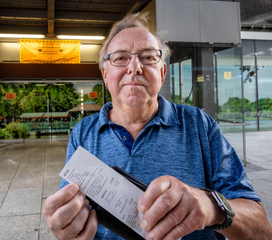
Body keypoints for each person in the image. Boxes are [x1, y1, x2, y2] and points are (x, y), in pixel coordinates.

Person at [43, 12, 272, 240]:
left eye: (148, 57)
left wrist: (213, 206)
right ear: (105, 74)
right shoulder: (83, 133)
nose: (135, 68)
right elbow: (71, 213)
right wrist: (67, 226)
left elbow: (261, 229)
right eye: (121, 58)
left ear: (162, 73)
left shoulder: (200, 125)